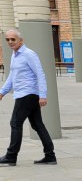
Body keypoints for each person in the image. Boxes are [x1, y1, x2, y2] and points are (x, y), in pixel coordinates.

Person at [0, 28, 57, 166]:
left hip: (28, 94)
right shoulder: (14, 55)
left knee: (15, 123)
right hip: (24, 94)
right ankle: (50, 156)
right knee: (37, 125)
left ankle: (11, 156)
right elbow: (12, 76)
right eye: (7, 39)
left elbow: (40, 74)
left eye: (13, 39)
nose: (10, 42)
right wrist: (2, 92)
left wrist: (43, 95)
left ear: (21, 40)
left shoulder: (29, 54)